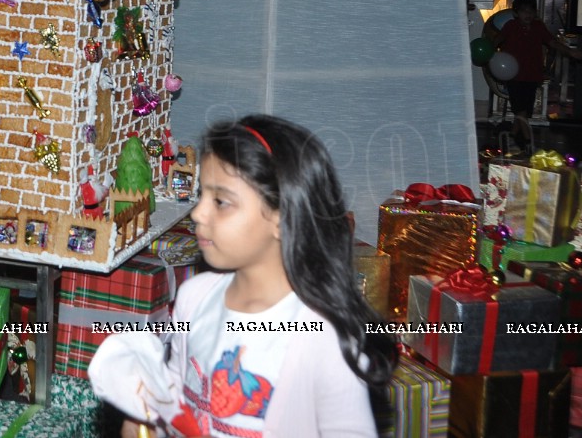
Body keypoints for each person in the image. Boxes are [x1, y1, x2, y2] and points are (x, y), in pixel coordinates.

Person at [89, 116, 395, 438]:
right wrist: (144, 423)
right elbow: (175, 402)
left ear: (282, 217)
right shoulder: (194, 299)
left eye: (221, 202)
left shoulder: (320, 337)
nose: (197, 213)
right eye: (201, 195)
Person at [488, 0, 582, 150]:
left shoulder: (539, 27)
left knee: (524, 109)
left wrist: (570, 52)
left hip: (532, 74)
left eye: (531, 11)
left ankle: (511, 136)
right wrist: (489, 50)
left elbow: (551, 42)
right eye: (524, 11)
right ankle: (528, 142)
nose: (528, 15)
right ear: (516, 13)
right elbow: (497, 40)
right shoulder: (511, 26)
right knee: (520, 109)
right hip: (513, 75)